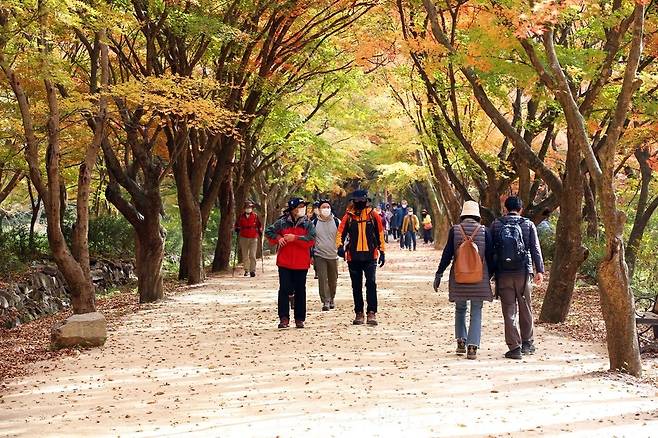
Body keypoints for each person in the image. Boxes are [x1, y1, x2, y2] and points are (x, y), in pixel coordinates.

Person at [433, 201, 494, 360]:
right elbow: (490, 256)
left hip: (459, 277)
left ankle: (461, 341)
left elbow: (447, 254)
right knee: (476, 311)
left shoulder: (455, 230)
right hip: (479, 278)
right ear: (477, 216)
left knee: (460, 309)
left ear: (463, 215)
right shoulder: (484, 231)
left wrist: (439, 273)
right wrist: (492, 275)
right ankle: (472, 346)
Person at [490, 196, 545, 359]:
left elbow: (491, 250)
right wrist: (539, 270)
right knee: (525, 307)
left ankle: (514, 347)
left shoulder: (496, 224)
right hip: (523, 271)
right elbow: (535, 248)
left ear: (505, 208)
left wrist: (491, 273)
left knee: (509, 309)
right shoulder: (528, 224)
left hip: (503, 272)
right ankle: (527, 343)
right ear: (521, 209)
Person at [336, 189, 386, 326]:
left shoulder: (373, 215)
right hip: (353, 257)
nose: (359, 202)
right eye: (357, 200)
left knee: (371, 283)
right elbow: (340, 232)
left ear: (366, 200)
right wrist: (339, 247)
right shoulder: (349, 216)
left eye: (361, 200)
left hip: (371, 256)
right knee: (356, 286)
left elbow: (380, 233)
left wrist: (382, 251)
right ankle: (359, 312)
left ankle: (371, 312)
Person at [265, 197, 316, 329]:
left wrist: (295, 238)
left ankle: (299, 318)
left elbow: (311, 238)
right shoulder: (282, 222)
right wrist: (278, 238)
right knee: (284, 289)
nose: (302, 209)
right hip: (284, 262)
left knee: (300, 290)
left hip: (301, 262)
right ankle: (284, 318)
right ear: (292, 209)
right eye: (300, 206)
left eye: (303, 206)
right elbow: (268, 231)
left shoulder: (308, 223)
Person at [312, 199, 340, 311]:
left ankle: (332, 297)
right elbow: (311, 239)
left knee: (333, 279)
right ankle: (325, 301)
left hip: (333, 254)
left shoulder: (337, 222)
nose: (326, 209)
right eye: (323, 207)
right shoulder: (314, 223)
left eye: (328, 207)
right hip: (319, 255)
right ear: (319, 209)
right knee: (322, 279)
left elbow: (343, 236)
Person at [234, 201, 262, 277]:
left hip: (253, 237)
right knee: (245, 255)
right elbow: (236, 225)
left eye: (250, 207)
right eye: (247, 207)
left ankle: (253, 270)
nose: (248, 209)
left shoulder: (255, 216)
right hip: (244, 237)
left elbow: (259, 225)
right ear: (244, 209)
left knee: (252, 255)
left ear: (252, 208)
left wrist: (260, 231)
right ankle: (246, 270)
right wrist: (237, 229)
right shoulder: (241, 216)